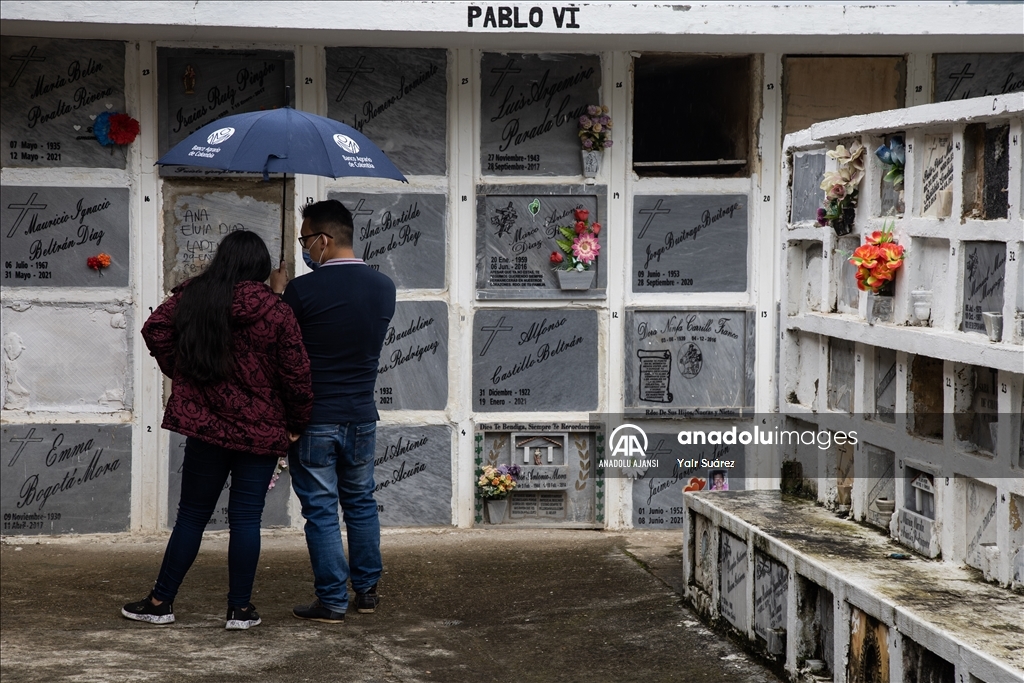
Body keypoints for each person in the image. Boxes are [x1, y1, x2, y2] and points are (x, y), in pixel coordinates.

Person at [122, 230, 313, 630]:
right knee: (246, 519)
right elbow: (296, 374)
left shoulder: (196, 297)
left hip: (206, 425)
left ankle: (160, 601)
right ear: (261, 267)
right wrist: (296, 423)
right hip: (260, 429)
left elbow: (154, 328)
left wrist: (187, 374)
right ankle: (239, 610)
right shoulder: (277, 311)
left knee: (192, 515)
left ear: (222, 260)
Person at [270, 199, 395, 624]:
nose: (305, 248)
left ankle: (331, 601)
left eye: (306, 240)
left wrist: (280, 295)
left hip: (314, 419)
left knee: (321, 510)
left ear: (322, 240)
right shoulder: (384, 287)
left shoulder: (302, 291)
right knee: (360, 502)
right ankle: (366, 591)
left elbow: (280, 348)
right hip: (361, 414)